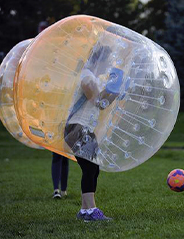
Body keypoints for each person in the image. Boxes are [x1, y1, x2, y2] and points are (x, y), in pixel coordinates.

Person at [64, 44, 122, 222]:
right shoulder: (87, 78)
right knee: (90, 168)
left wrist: (116, 91)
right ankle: (91, 211)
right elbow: (99, 103)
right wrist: (113, 89)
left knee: (92, 169)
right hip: (78, 128)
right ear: (99, 60)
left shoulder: (92, 78)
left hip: (83, 128)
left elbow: (101, 102)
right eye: (108, 61)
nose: (108, 65)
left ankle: (85, 210)